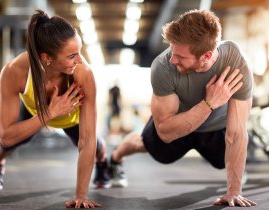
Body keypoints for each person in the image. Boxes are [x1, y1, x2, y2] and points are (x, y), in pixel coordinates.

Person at [109, 9, 257, 207]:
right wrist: (209, 103)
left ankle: (236, 170)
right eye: (172, 51)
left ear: (206, 56)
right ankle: (115, 158)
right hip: (176, 124)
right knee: (145, 144)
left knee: (229, 157)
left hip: (215, 129)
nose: (172, 59)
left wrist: (233, 191)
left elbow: (237, 134)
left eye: (180, 56)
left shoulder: (235, 62)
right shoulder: (162, 66)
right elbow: (166, 133)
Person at [0, 10, 110, 208]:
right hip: (36, 110)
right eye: (71, 56)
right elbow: (6, 135)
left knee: (97, 147)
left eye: (80, 51)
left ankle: (103, 164)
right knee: (10, 143)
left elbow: (87, 139)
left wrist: (81, 194)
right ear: (46, 57)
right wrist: (49, 113)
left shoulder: (84, 73)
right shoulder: (14, 71)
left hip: (71, 115)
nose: (79, 60)